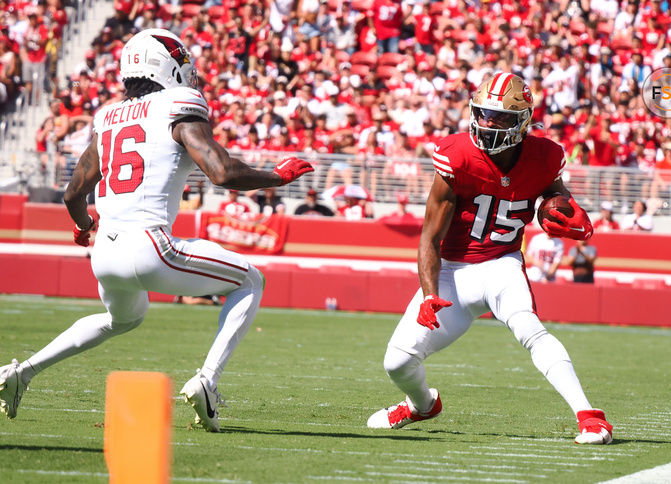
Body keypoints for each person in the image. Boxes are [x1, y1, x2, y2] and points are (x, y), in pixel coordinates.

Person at [0, 30, 313, 431]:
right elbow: (221, 172)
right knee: (250, 280)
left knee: (123, 318)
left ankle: (21, 372)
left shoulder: (108, 116)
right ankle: (207, 381)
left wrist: (84, 227)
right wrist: (275, 177)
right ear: (164, 65)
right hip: (150, 244)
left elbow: (73, 193)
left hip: (105, 253)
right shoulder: (178, 103)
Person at [366, 73, 613, 445]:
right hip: (452, 272)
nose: (487, 124)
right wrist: (430, 294)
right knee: (396, 363)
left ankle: (590, 418)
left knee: (529, 328)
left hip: (502, 263)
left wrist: (564, 209)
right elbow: (429, 237)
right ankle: (421, 404)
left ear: (522, 122)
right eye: (482, 114)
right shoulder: (457, 155)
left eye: (498, 118)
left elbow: (555, 196)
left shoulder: (545, 155)